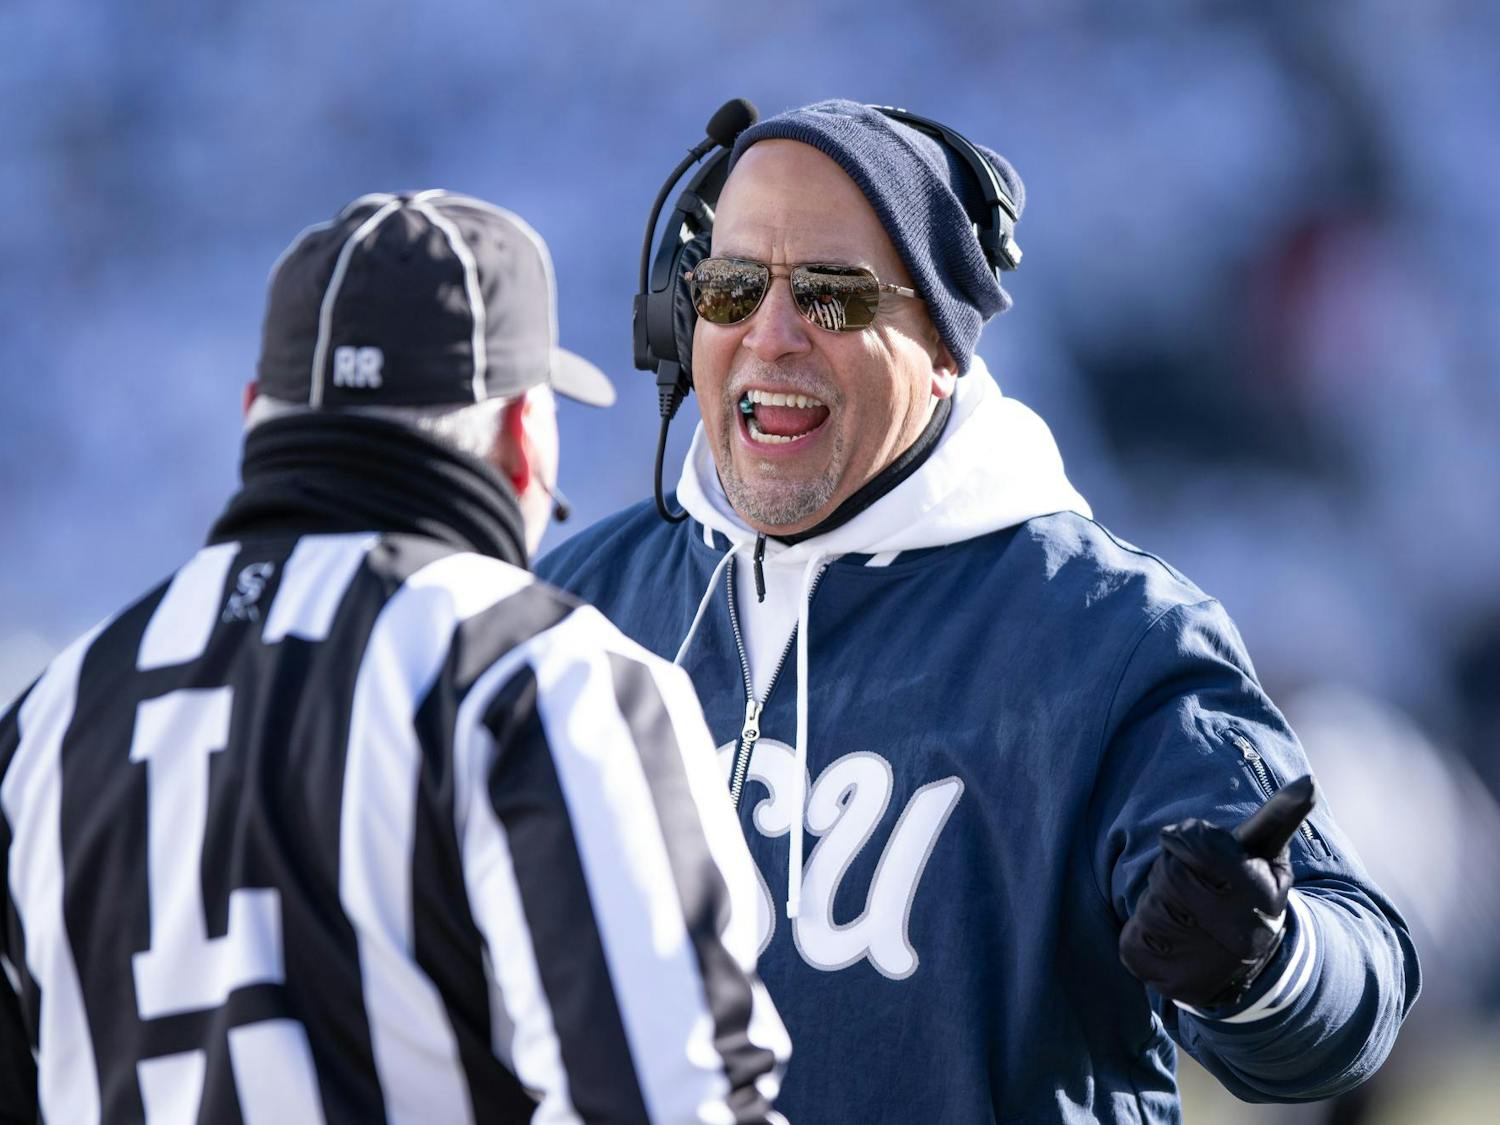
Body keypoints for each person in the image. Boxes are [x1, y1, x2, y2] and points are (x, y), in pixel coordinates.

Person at [537, 101, 1419, 1122]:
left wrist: (1264, 966)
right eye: (733, 287)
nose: (770, 336)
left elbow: (1359, 983)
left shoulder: (1103, 636)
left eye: (832, 295)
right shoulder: (578, 609)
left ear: (945, 342)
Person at [0, 190, 789, 1124]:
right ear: (522, 436)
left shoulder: (44, 721)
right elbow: (675, 1103)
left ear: (259, 415)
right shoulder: (536, 673)